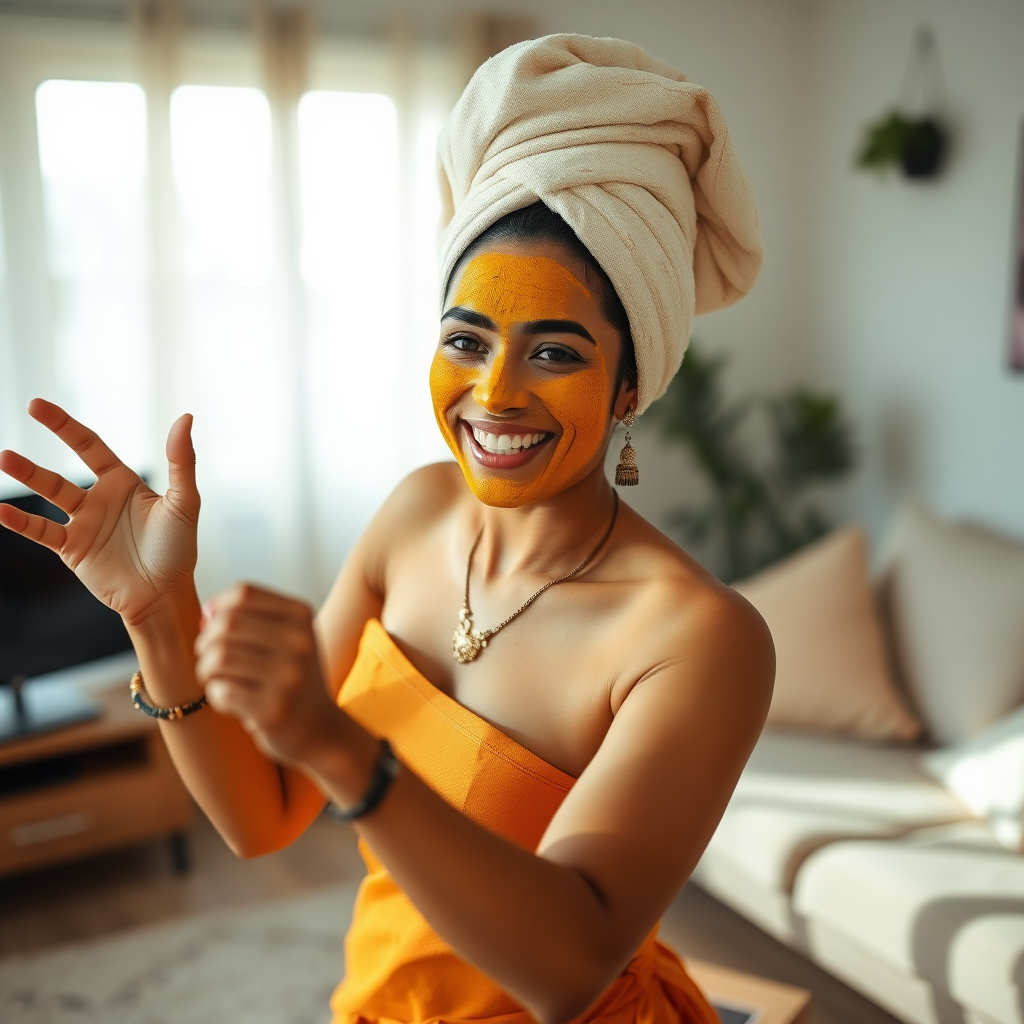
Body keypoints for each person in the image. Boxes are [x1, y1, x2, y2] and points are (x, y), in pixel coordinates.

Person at [0, 35, 773, 1024]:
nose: (493, 393)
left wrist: (353, 757)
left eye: (554, 350)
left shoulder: (699, 638)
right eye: (465, 338)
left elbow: (569, 964)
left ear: (631, 383)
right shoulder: (414, 510)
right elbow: (262, 814)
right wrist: (157, 615)